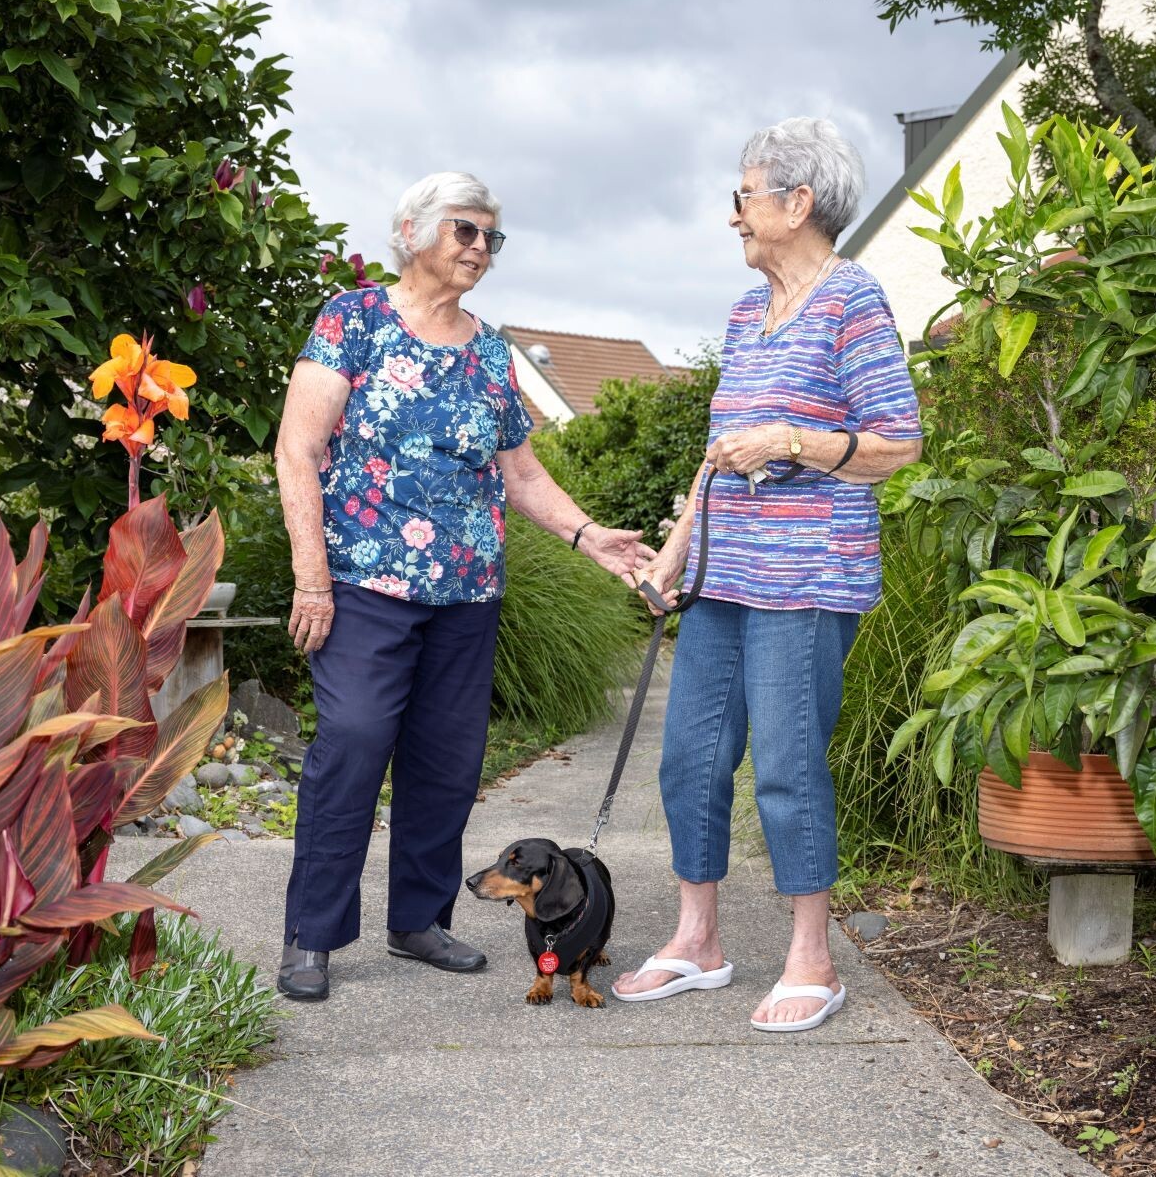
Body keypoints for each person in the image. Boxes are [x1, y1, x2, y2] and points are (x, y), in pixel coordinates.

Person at [272, 171, 655, 1001]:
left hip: (467, 593)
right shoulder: (355, 320)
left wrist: (590, 536)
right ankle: (313, 934)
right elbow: (296, 450)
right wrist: (312, 579)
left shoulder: (489, 349)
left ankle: (417, 922)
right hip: (362, 583)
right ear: (412, 231)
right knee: (353, 742)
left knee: (446, 764)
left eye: (491, 237)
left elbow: (519, 471)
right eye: (465, 231)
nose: (480, 249)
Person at [611, 120, 922, 1031]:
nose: (732, 217)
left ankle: (812, 960)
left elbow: (897, 444)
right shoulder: (748, 312)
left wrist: (793, 440)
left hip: (807, 577)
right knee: (689, 761)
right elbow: (717, 453)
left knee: (786, 766)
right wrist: (672, 557)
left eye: (742, 197)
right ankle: (698, 941)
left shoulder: (852, 302)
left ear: (797, 203)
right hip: (722, 574)